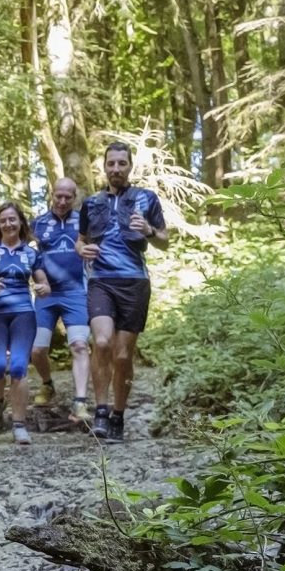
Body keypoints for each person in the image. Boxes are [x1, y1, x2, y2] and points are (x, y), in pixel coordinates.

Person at [77, 143, 169, 443]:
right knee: (101, 342)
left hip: (134, 283)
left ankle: (118, 414)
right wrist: (82, 249)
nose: (116, 168)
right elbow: (80, 240)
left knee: (122, 354)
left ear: (130, 166)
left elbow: (165, 240)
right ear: (103, 167)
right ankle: (101, 411)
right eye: (111, 164)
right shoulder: (91, 203)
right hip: (101, 281)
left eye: (121, 163)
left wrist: (149, 232)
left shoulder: (147, 198)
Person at [0, 202, 50, 445]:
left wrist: (41, 288)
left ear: (20, 223)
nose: (8, 224)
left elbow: (45, 285)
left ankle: (19, 425)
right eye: (3, 220)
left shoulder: (31, 253)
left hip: (24, 315)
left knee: (18, 367)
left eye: (12, 219)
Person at [30, 178, 92, 428]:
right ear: (52, 195)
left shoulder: (83, 222)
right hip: (47, 296)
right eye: (59, 196)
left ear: (75, 197)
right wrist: (38, 281)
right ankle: (47, 385)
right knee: (37, 349)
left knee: (79, 346)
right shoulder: (38, 224)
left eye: (68, 196)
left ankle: (80, 401)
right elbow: (30, 258)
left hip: (76, 293)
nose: (63, 201)